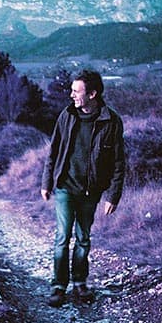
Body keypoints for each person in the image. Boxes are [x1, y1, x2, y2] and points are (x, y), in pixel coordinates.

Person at [41, 69, 125, 307]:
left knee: (83, 238)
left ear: (92, 94)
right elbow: (53, 150)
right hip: (65, 187)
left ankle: (80, 283)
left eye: (76, 91)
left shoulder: (111, 121)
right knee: (62, 237)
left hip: (91, 191)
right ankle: (58, 286)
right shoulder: (67, 115)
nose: (72, 95)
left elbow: (119, 162)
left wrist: (113, 196)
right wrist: (46, 182)